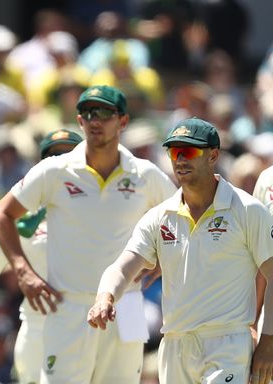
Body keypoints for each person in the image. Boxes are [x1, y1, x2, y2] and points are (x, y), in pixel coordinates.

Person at [0, 85, 175, 383]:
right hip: (68, 305)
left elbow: (180, 219)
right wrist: (23, 270)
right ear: (79, 121)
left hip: (128, 303)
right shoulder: (55, 170)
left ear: (123, 121)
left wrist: (162, 260)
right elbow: (1, 214)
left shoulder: (145, 174)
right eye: (88, 114)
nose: (95, 120)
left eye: (103, 113)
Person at [88, 117, 273, 384]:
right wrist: (105, 297)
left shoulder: (247, 210)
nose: (180, 160)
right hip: (175, 345)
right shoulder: (160, 216)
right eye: (175, 152)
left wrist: (268, 340)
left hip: (227, 343)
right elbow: (123, 266)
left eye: (188, 151)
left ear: (213, 156)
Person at [0, 129, 83, 384]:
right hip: (38, 331)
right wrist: (18, 222)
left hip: (86, 331)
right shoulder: (28, 214)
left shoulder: (104, 209)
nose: (61, 163)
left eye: (70, 155)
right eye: (53, 157)